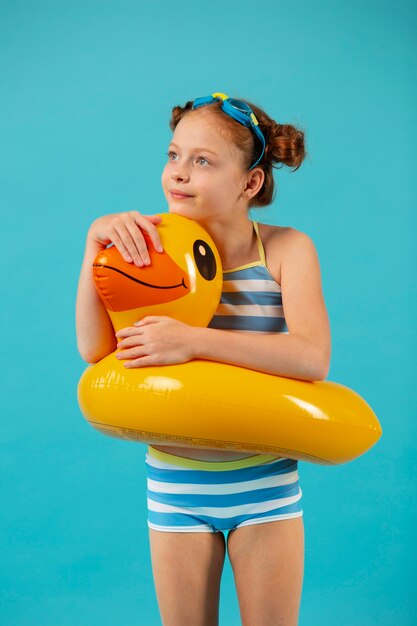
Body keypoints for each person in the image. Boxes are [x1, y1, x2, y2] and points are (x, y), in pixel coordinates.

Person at [76, 92, 331, 626]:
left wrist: (196, 342)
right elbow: (96, 351)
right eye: (173, 155)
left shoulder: (285, 251)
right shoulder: (143, 246)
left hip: (265, 486)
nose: (179, 174)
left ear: (250, 183)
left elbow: (312, 357)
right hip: (175, 486)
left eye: (203, 160)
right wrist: (92, 247)